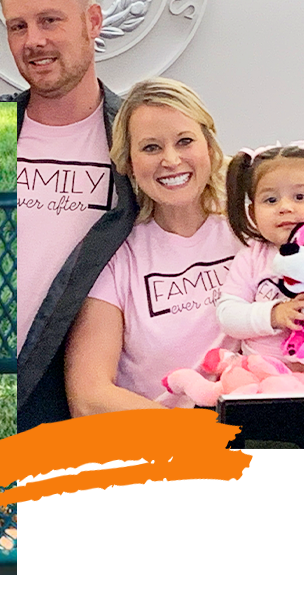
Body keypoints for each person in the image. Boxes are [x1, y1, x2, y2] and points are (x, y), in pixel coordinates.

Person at [0, 0, 137, 430]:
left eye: (50, 20)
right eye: (18, 26)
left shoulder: (138, 144)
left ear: (92, 21)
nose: (33, 41)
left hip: (64, 406)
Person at [65, 77, 243, 413]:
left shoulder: (249, 234)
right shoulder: (115, 256)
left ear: (208, 146)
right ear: (129, 162)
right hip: (158, 451)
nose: (171, 160)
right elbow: (88, 396)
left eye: (185, 141)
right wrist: (195, 435)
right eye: (151, 147)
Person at [217, 136, 304, 376]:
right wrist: (273, 314)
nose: (284, 207)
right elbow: (227, 314)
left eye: (300, 197)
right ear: (252, 213)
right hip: (261, 378)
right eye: (270, 200)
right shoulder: (252, 256)